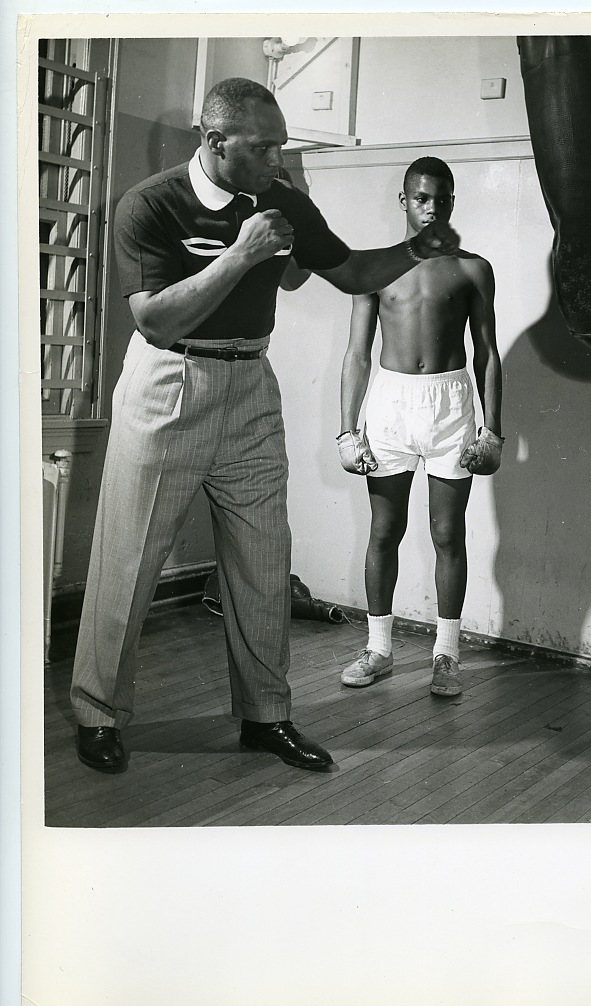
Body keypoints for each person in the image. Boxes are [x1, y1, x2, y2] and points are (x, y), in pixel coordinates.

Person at [70, 79, 459, 774]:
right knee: (127, 561)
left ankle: (265, 715)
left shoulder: (283, 201)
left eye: (281, 145)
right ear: (214, 142)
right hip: (168, 383)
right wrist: (241, 254)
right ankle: (98, 714)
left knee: (263, 560)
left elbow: (351, 271)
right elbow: (154, 319)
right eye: (263, 147)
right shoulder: (150, 203)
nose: (278, 160)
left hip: (250, 385)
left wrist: (419, 248)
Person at [337, 157, 503, 697]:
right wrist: (346, 431)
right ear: (404, 201)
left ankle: (446, 656)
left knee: (447, 533)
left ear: (452, 202)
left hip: (450, 404)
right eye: (422, 198)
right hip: (391, 404)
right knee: (384, 530)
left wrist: (493, 432)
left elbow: (487, 354)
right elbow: (357, 353)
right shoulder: (372, 268)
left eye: (442, 199)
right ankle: (378, 649)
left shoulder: (473, 269)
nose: (432, 208)